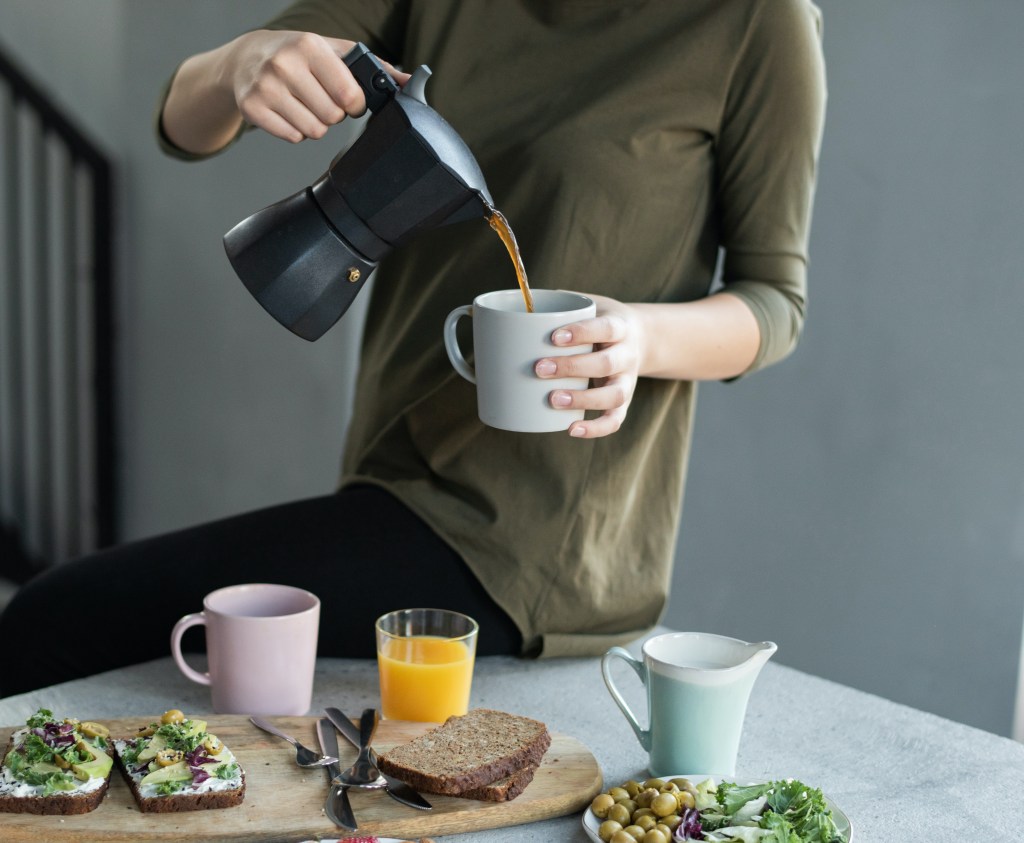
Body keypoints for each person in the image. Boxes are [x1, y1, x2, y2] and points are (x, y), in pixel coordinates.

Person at [0, 0, 826, 695]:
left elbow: (774, 300)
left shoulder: (757, 21)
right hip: (387, 477)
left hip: (534, 540)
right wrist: (241, 64)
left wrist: (638, 338)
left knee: (53, 621)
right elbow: (185, 122)